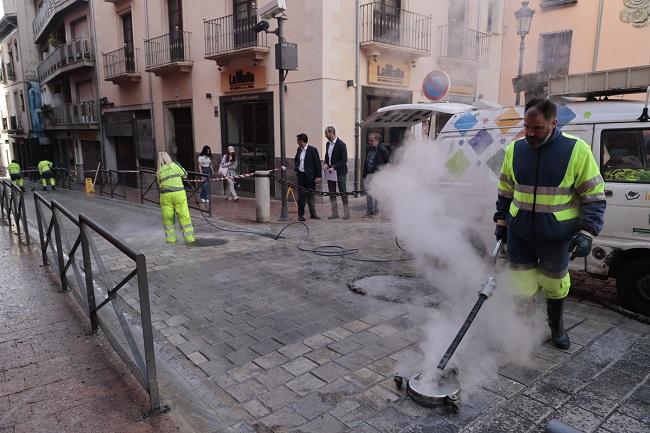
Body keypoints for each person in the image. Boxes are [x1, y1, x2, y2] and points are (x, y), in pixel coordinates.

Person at [494, 98, 606, 350]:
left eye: (538, 128)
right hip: (520, 234)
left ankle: (556, 327)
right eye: (527, 127)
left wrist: (587, 232)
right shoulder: (515, 150)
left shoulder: (576, 150)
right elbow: (505, 191)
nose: (530, 134)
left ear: (554, 123)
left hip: (556, 236)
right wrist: (502, 222)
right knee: (521, 285)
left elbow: (594, 196)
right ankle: (523, 330)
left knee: (555, 285)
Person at [156, 151, 195, 245]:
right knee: (184, 215)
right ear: (168, 157)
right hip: (178, 194)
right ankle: (189, 239)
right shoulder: (175, 166)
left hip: (165, 195)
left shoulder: (159, 171)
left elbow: (159, 184)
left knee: (168, 217)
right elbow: (184, 174)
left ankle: (171, 239)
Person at [323, 126, 350, 219]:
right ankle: (334, 213)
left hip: (340, 172)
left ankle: (347, 213)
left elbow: (344, 160)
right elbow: (327, 156)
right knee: (332, 192)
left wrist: (334, 167)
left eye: (326, 133)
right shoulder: (327, 144)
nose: (325, 135)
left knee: (343, 192)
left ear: (331, 133)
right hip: (330, 172)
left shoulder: (341, 144)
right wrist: (325, 163)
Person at [294, 133, 321, 222]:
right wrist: (297, 168)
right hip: (301, 176)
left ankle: (313, 214)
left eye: (298, 140)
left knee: (311, 196)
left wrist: (318, 176)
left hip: (310, 177)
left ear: (301, 141)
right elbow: (296, 159)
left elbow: (317, 164)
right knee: (301, 197)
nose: (297, 142)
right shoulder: (299, 150)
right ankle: (300, 215)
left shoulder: (312, 150)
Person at [362, 132, 390, 217]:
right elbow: (367, 162)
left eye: (371, 140)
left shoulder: (383, 150)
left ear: (377, 140)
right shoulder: (369, 149)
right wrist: (364, 174)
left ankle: (376, 212)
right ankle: (369, 211)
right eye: (369, 140)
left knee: (377, 193)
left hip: (378, 175)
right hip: (369, 175)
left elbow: (387, 162)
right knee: (369, 194)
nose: (369, 142)